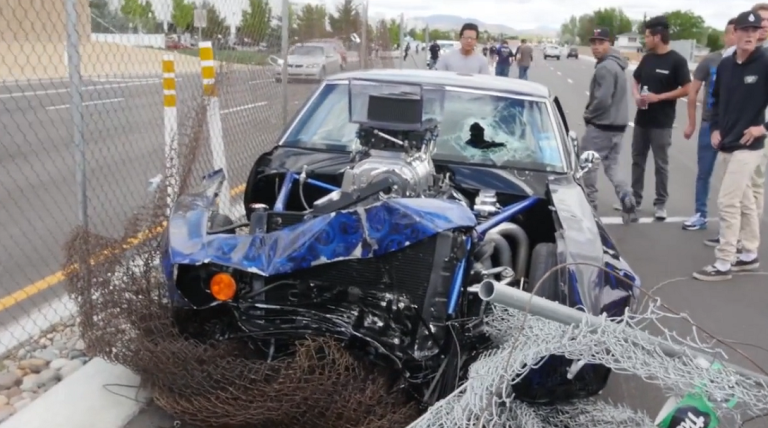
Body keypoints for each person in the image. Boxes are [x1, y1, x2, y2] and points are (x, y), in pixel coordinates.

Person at [693, 10, 768, 281]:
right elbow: (715, 100)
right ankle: (749, 253)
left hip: (750, 145)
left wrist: (764, 127)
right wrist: (714, 128)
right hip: (726, 141)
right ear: (734, 33)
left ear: (760, 33)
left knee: (727, 201)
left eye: (755, 30)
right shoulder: (725, 65)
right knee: (746, 200)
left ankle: (724, 261)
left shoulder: (765, 61)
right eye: (744, 30)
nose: (750, 35)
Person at [626, 15, 691, 220]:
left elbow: (688, 89)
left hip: (662, 123)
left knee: (661, 164)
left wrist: (659, 97)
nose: (645, 40)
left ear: (658, 36)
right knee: (637, 160)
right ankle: (635, 199)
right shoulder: (647, 58)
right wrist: (637, 96)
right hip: (642, 120)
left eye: (647, 36)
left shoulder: (677, 61)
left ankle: (660, 203)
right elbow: (635, 80)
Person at [681, 19, 737, 231]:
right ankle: (700, 214)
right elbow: (692, 91)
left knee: (731, 179)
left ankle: (729, 224)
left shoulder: (747, 63)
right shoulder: (710, 61)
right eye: (733, 33)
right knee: (704, 172)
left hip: (733, 128)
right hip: (709, 124)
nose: (736, 38)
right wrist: (691, 123)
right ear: (726, 35)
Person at [580, 28, 636, 218]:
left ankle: (590, 205)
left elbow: (603, 99)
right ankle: (626, 194)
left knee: (588, 164)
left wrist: (589, 114)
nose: (596, 47)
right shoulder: (617, 65)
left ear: (609, 43)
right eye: (593, 43)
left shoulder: (605, 67)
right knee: (612, 166)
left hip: (601, 126)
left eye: (600, 43)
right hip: (617, 127)